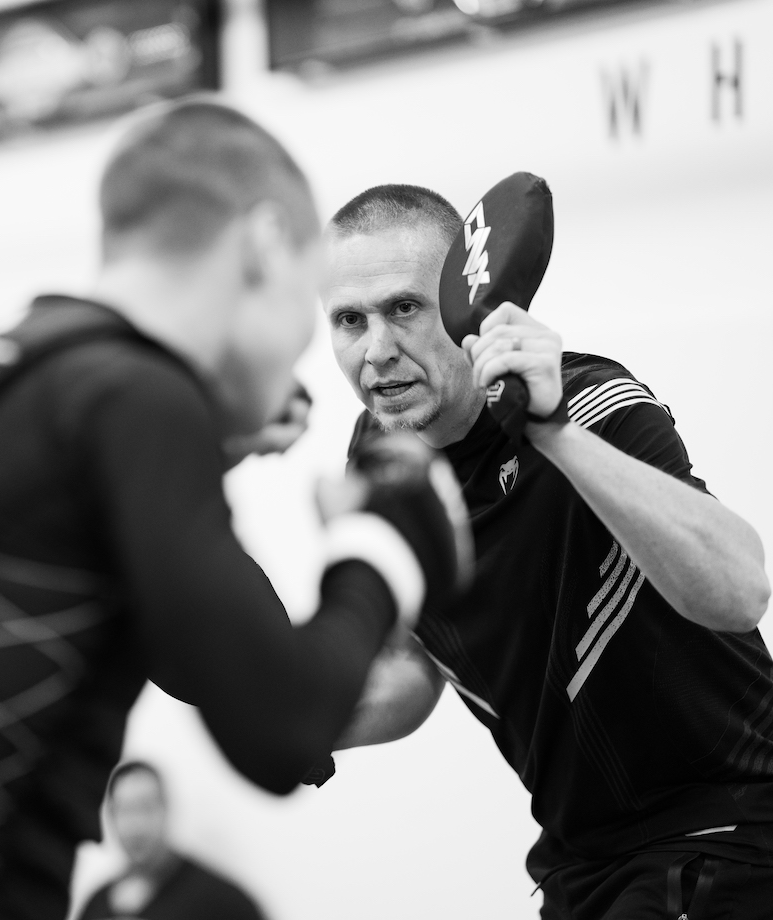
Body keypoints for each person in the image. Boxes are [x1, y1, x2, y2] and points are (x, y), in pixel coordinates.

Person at [0, 106, 468, 920]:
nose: (310, 352)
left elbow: (182, 648)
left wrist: (214, 448)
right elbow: (280, 726)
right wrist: (383, 548)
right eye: (324, 308)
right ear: (264, 246)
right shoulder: (139, 402)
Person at [321, 183, 773, 919]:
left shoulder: (589, 402)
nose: (376, 350)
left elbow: (742, 589)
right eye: (349, 320)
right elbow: (415, 668)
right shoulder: (378, 466)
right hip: (578, 862)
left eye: (404, 308)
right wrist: (293, 718)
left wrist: (551, 430)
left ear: (465, 299)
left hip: (728, 829)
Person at [77, 761, 264, 920]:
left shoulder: (219, 900)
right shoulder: (96, 904)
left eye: (146, 807)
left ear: (165, 810)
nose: (136, 825)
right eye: (124, 809)